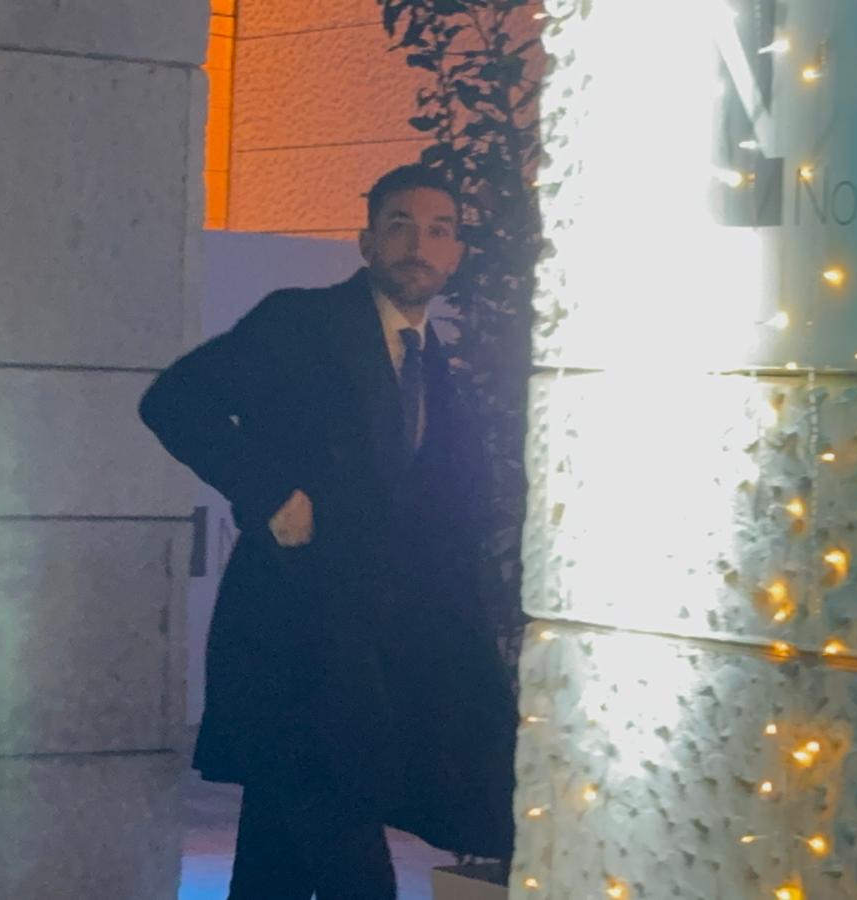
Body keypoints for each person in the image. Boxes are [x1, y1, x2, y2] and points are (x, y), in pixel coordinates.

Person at [140, 164, 517, 899]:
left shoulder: (436, 366)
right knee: (350, 853)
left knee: (277, 856)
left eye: (439, 230)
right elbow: (175, 400)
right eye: (400, 224)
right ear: (367, 241)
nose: (419, 244)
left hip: (375, 662)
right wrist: (270, 494)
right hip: (296, 643)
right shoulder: (303, 322)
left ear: (457, 254)